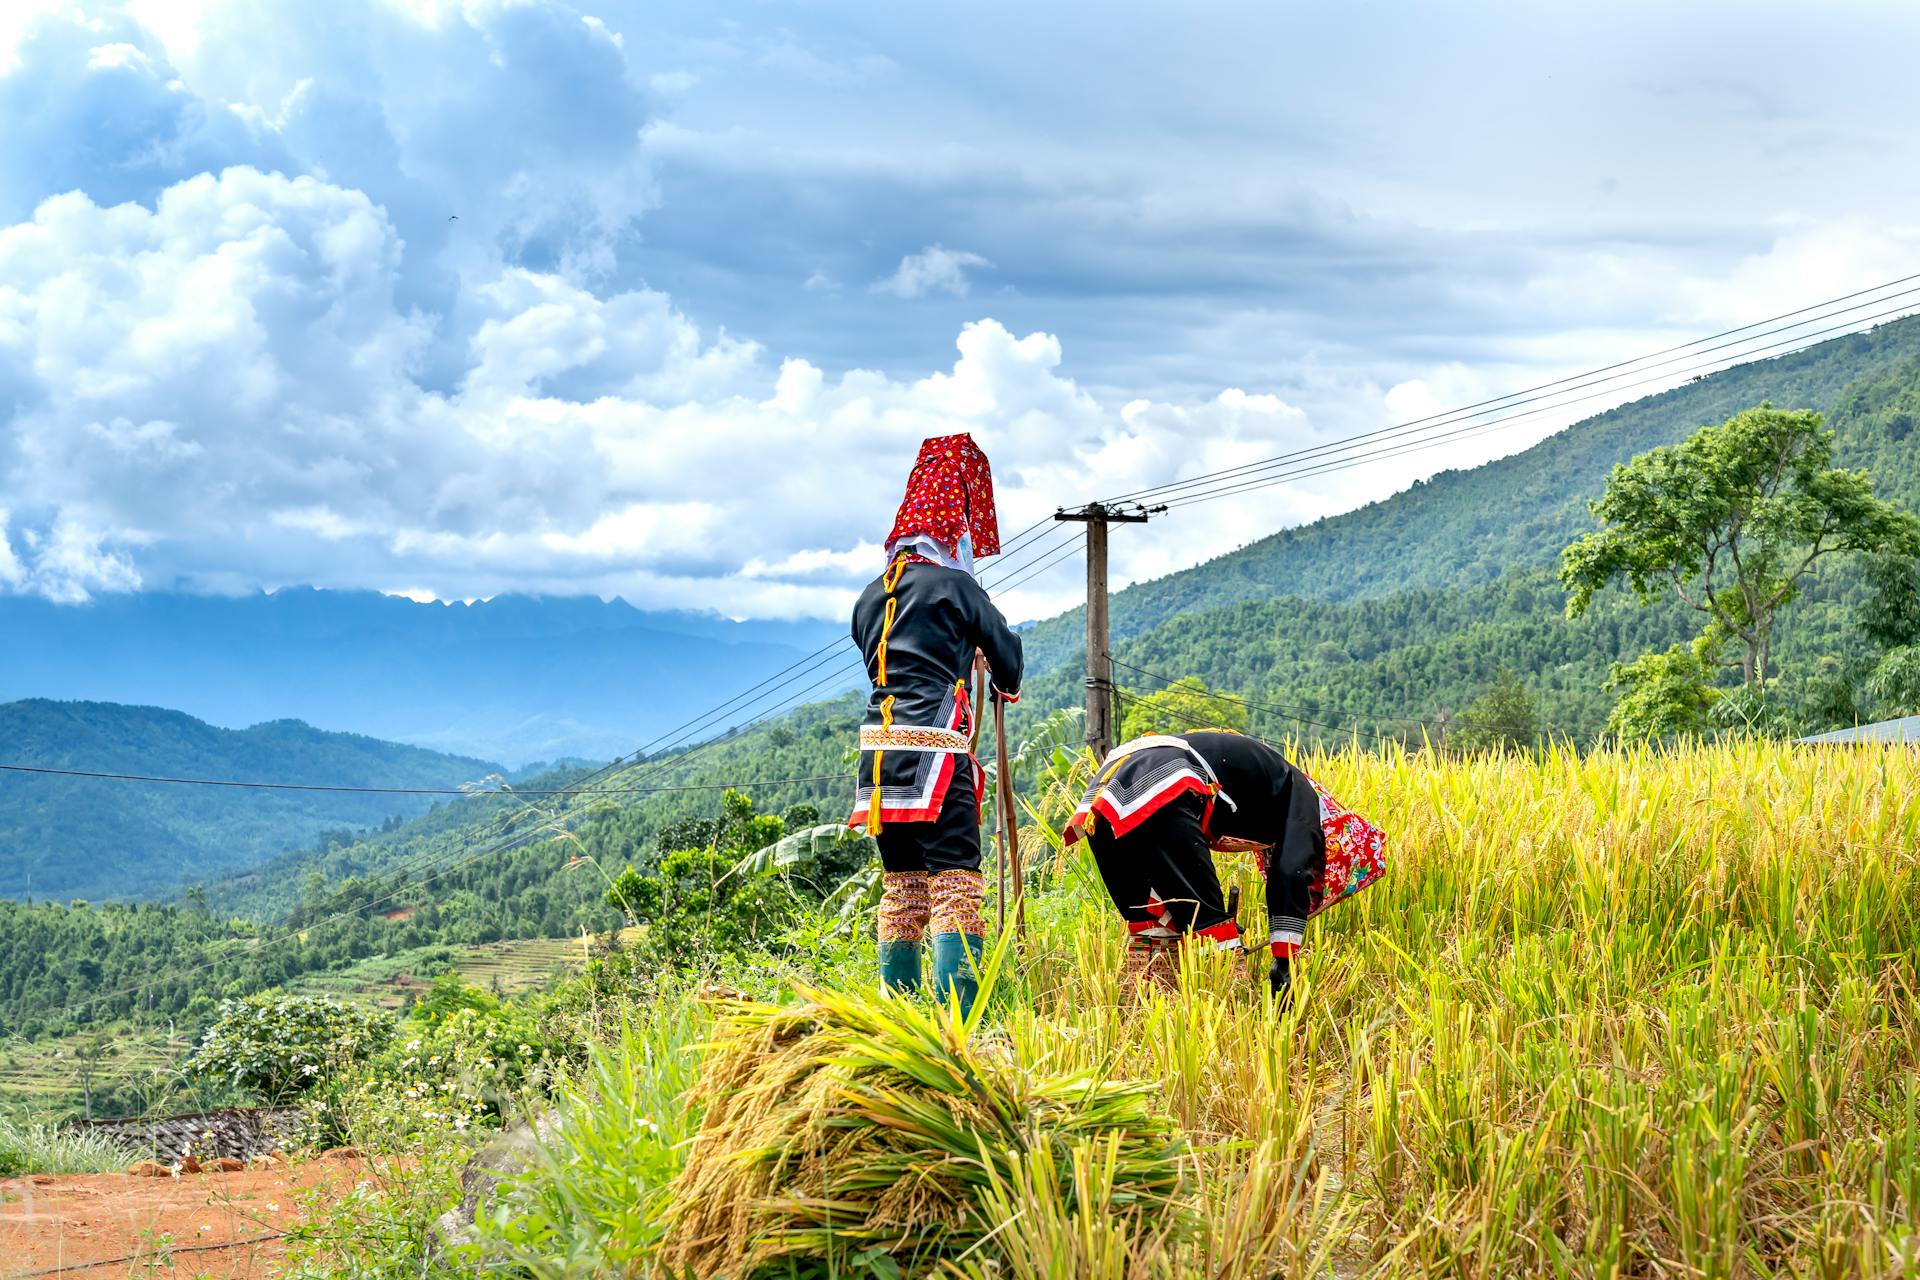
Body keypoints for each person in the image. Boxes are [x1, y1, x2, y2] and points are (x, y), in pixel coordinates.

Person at [848, 433, 1023, 1015]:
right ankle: (959, 1028)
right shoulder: (956, 587)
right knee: (955, 886)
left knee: (902, 889)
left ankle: (899, 1023)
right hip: (936, 753)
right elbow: (1009, 655)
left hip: (877, 758)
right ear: (954, 526)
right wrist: (999, 678)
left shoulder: (871, 596)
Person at [1063, 728, 1385, 999]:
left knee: (1155, 930)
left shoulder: (1271, 779)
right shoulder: (1306, 801)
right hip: (1164, 782)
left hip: (1103, 799)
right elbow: (1291, 871)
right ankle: (1228, 1022)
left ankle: (1148, 1025)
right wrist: (1283, 960)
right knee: (1213, 930)